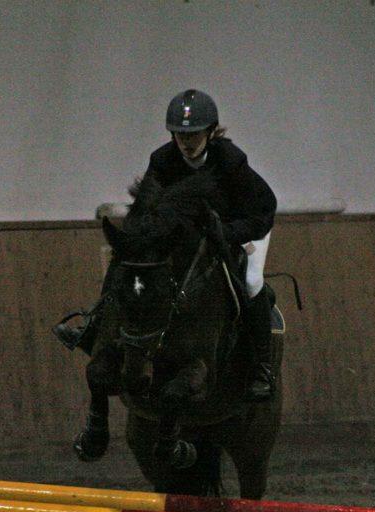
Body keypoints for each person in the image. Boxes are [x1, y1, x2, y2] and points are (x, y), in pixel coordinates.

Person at [55, 88, 278, 401]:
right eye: (180, 135)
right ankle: (93, 325)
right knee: (127, 261)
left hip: (244, 228)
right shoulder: (162, 160)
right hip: (191, 235)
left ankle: (262, 369)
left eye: (194, 134)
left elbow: (263, 211)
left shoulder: (230, 161)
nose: (186, 142)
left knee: (252, 281)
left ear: (211, 132)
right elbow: (144, 208)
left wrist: (225, 233)